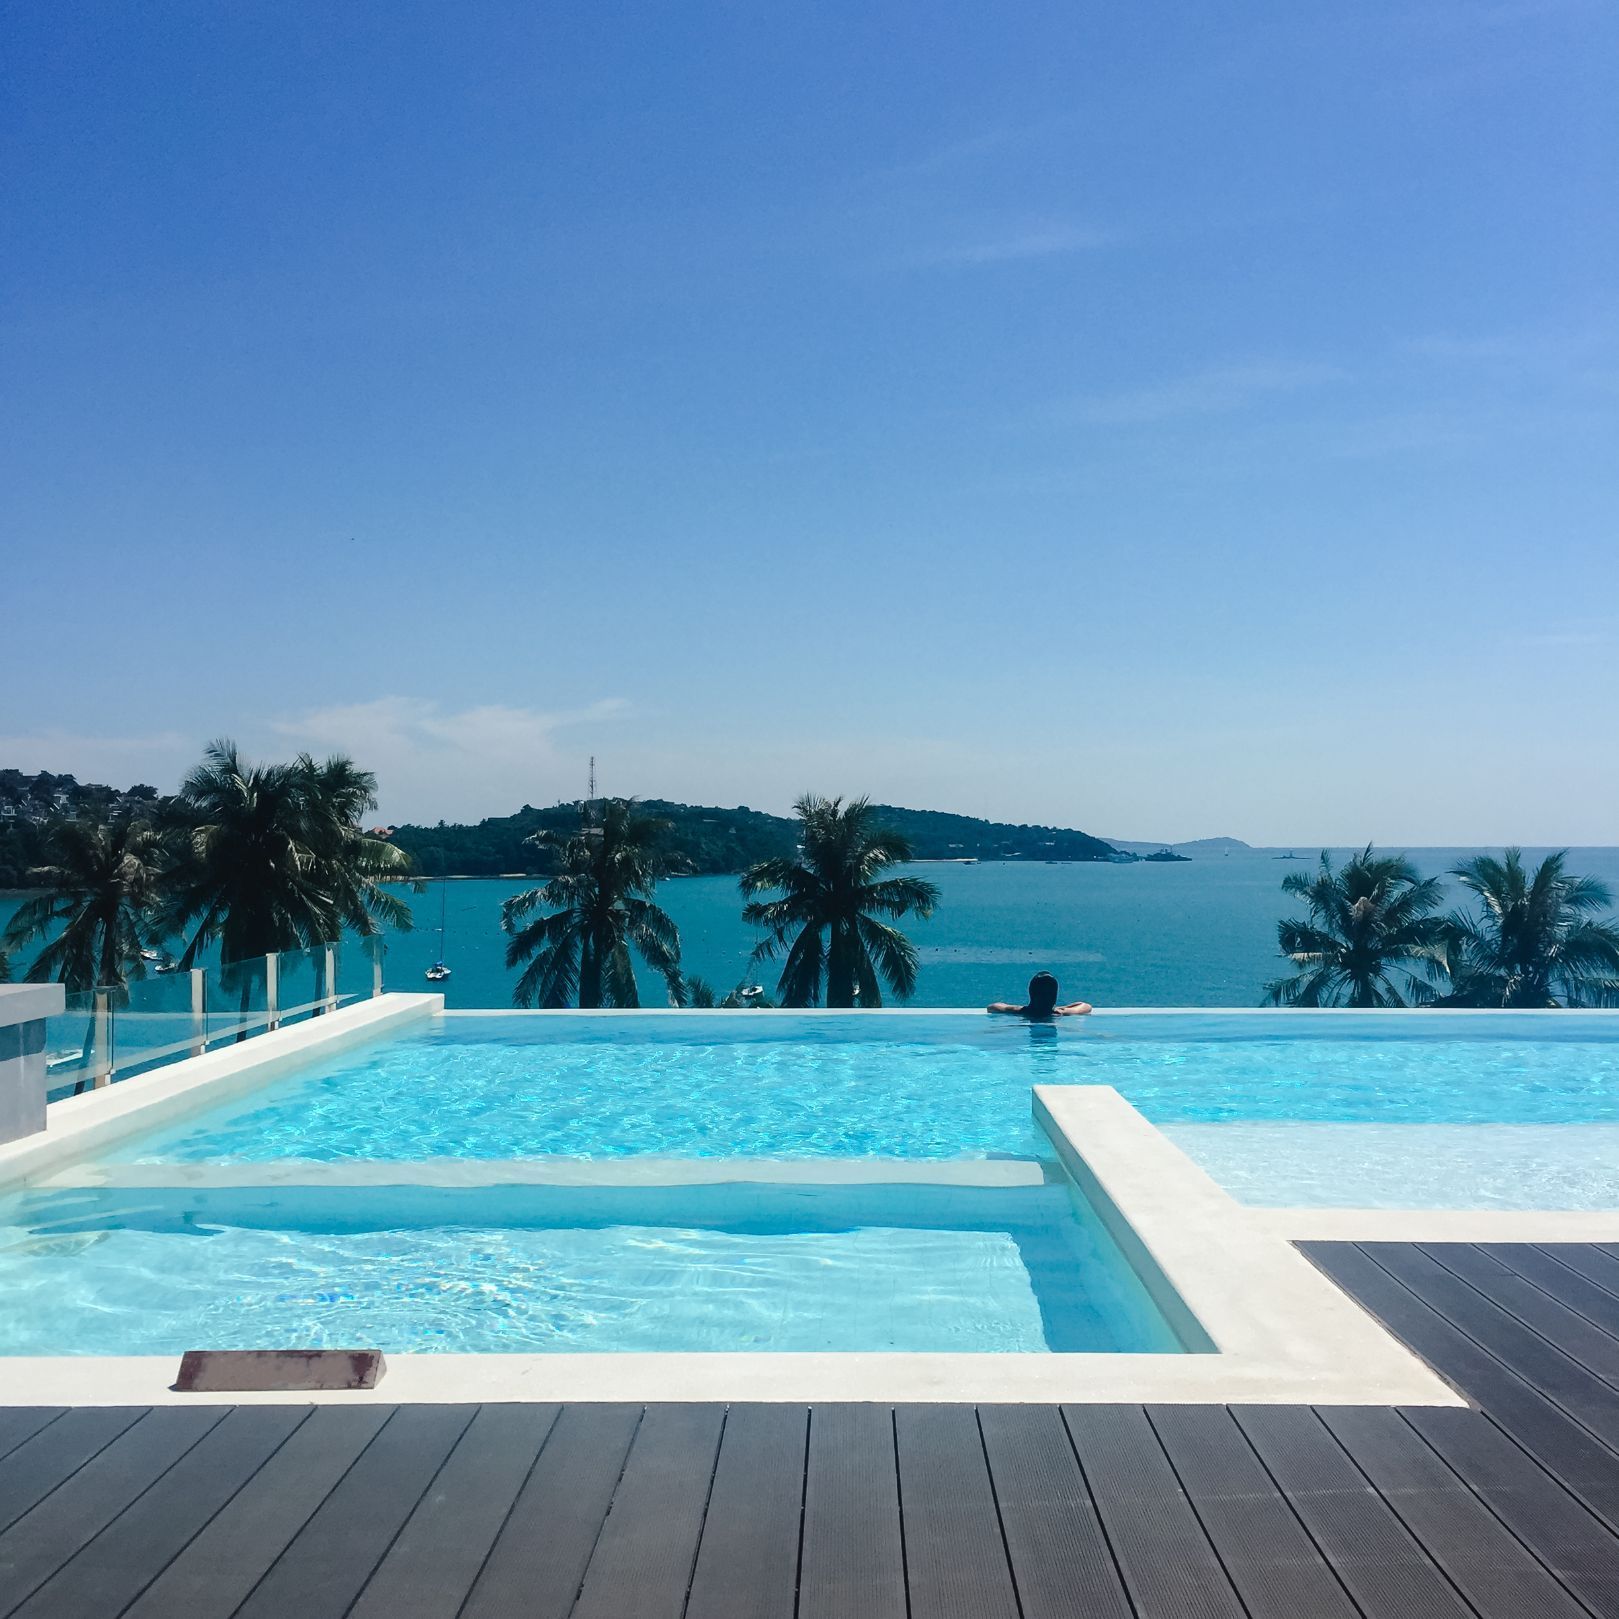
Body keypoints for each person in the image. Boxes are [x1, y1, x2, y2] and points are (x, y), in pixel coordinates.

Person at [988, 972, 1093, 1018]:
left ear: (1031, 993)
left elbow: (992, 1007)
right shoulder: (1059, 1013)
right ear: (1054, 996)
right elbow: (1086, 1006)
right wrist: (1061, 1008)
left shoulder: (1020, 1011)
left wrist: (1018, 1008)